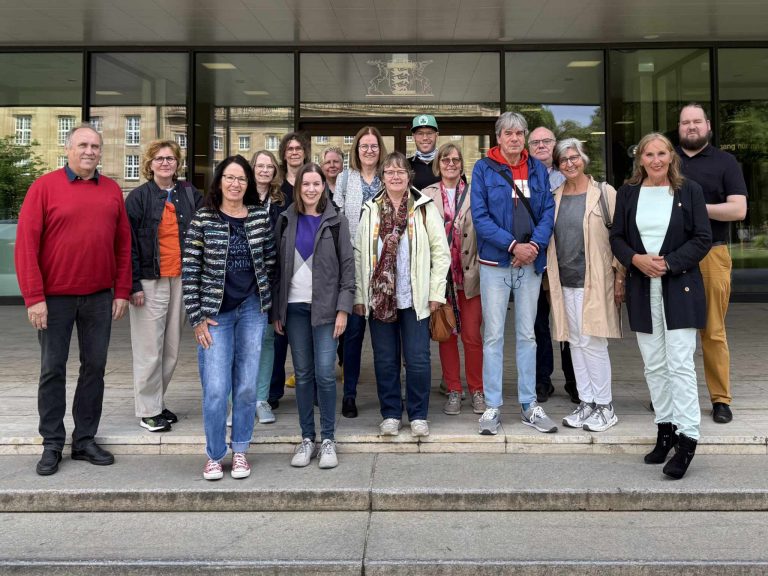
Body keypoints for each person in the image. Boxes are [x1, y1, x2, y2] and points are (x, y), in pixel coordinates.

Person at [15, 123, 131, 476]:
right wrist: (34, 297)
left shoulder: (111, 190)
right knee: (53, 369)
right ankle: (52, 442)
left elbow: (123, 245)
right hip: (54, 299)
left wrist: (122, 290)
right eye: (82, 145)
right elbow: (25, 246)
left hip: (98, 296)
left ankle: (84, 440)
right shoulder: (44, 187)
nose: (89, 152)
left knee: (94, 369)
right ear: (68, 149)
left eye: (95, 146)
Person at [610, 133, 711, 480]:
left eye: (661, 153)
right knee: (654, 365)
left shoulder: (689, 192)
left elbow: (702, 239)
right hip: (642, 287)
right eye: (648, 154)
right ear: (640, 159)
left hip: (678, 287)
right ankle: (664, 429)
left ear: (671, 157)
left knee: (680, 363)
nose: (655, 160)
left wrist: (667, 263)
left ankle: (687, 438)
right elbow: (616, 237)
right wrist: (636, 259)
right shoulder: (628, 193)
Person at [182, 155, 276, 481]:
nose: (235, 184)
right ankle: (214, 454)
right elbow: (190, 270)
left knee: (247, 386)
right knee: (217, 388)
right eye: (230, 178)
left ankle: (240, 451)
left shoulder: (260, 218)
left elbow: (271, 264)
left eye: (241, 179)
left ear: (248, 185)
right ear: (220, 181)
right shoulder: (203, 219)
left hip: (252, 310)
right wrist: (196, 317)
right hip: (214, 314)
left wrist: (268, 306)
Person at [470, 112, 556, 436]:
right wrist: (512, 246)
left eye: (520, 133)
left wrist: (534, 245)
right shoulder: (483, 169)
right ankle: (492, 406)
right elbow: (480, 217)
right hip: (496, 265)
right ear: (498, 137)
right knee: (493, 336)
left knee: (528, 335)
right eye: (508, 133)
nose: (515, 138)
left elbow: (548, 210)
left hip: (530, 263)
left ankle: (528, 404)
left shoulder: (536, 168)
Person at [354, 152, 450, 437]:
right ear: (383, 177)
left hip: (415, 297)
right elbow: (360, 253)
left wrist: (436, 292)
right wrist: (360, 296)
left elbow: (440, 253)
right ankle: (392, 414)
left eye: (400, 171)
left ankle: (419, 414)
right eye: (390, 172)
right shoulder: (370, 208)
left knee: (418, 358)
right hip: (381, 298)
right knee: (385, 359)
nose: (395, 176)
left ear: (410, 176)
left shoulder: (423, 207)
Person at [273, 163, 355, 469]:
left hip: (325, 310)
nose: (310, 189)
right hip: (293, 308)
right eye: (305, 184)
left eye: (316, 184)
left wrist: (343, 309)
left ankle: (329, 439)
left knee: (324, 373)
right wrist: (277, 310)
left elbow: (348, 269)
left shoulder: (336, 222)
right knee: (304, 374)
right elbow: (276, 269)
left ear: (324, 187)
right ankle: (307, 438)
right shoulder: (284, 220)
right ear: (298, 187)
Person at [676, 103, 748, 424]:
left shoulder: (725, 162)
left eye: (696, 122)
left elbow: (738, 210)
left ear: (707, 125)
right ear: (679, 128)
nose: (691, 127)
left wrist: (697, 207)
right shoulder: (667, 160)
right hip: (673, 256)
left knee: (713, 332)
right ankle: (674, 393)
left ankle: (720, 399)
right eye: (685, 122)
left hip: (712, 255)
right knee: (675, 331)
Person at [546, 138, 623, 432]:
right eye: (563, 159)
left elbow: (620, 235)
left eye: (574, 157)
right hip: (564, 281)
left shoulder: (604, 193)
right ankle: (587, 402)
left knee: (594, 342)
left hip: (595, 280)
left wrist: (619, 275)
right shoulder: (555, 197)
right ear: (557, 165)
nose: (569, 163)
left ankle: (605, 405)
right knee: (574, 342)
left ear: (584, 159)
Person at [125, 139, 202, 433]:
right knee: (149, 349)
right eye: (159, 159)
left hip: (181, 278)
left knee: (170, 349)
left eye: (170, 158)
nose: (165, 163)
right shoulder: (139, 198)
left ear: (177, 163)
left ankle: (156, 402)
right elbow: (127, 245)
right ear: (149, 163)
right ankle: (147, 410)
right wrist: (132, 285)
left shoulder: (189, 193)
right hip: (150, 280)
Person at [422, 143, 485, 416]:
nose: (450, 163)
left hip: (469, 275)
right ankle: (454, 390)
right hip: (440, 279)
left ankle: (477, 389)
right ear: (438, 164)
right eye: (445, 159)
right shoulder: (425, 195)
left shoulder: (475, 193)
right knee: (446, 335)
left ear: (461, 164)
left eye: (455, 159)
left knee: (472, 336)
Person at [333, 126, 387, 418]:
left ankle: (387, 395)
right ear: (356, 149)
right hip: (352, 266)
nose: (369, 150)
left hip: (383, 267)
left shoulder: (387, 176)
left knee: (383, 337)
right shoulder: (345, 179)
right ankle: (350, 394)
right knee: (352, 336)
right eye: (364, 146)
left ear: (380, 150)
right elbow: (338, 220)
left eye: (374, 146)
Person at [528, 126, 578, 404]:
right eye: (535, 142)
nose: (541, 146)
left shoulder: (568, 177)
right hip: (534, 259)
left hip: (564, 260)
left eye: (546, 141)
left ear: (555, 144)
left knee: (568, 322)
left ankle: (573, 380)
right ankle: (542, 380)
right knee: (538, 324)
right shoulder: (523, 175)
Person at [268, 132, 310, 409]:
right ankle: (273, 392)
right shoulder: (276, 186)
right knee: (278, 332)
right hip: (280, 263)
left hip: (307, 264)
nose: (294, 152)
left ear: (305, 152)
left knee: (307, 333)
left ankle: (311, 389)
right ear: (284, 154)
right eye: (289, 149)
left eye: (298, 148)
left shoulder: (312, 180)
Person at [250, 149, 287, 424]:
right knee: (240, 343)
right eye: (260, 166)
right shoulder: (240, 195)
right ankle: (237, 401)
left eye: (269, 166)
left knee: (266, 340)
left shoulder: (280, 201)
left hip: (269, 279)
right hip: (240, 279)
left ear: (275, 171)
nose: (264, 170)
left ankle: (261, 399)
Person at [407, 114, 441, 191]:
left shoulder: (447, 164)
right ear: (413, 136)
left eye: (429, 133)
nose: (425, 138)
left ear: (437, 135)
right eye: (420, 133)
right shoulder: (405, 165)